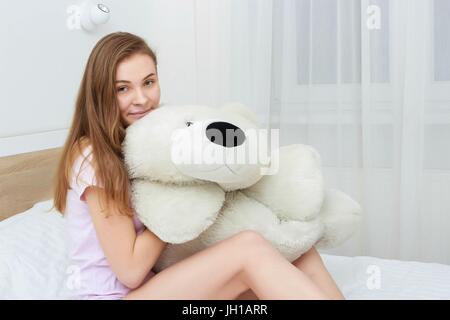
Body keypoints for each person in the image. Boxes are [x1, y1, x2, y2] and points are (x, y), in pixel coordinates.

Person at [53, 31, 344, 300]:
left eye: (149, 82)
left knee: (298, 253)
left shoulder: (140, 143)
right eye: (123, 89)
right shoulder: (92, 156)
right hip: (115, 296)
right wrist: (187, 202)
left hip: (155, 285)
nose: (141, 99)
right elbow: (129, 271)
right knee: (250, 247)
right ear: (101, 93)